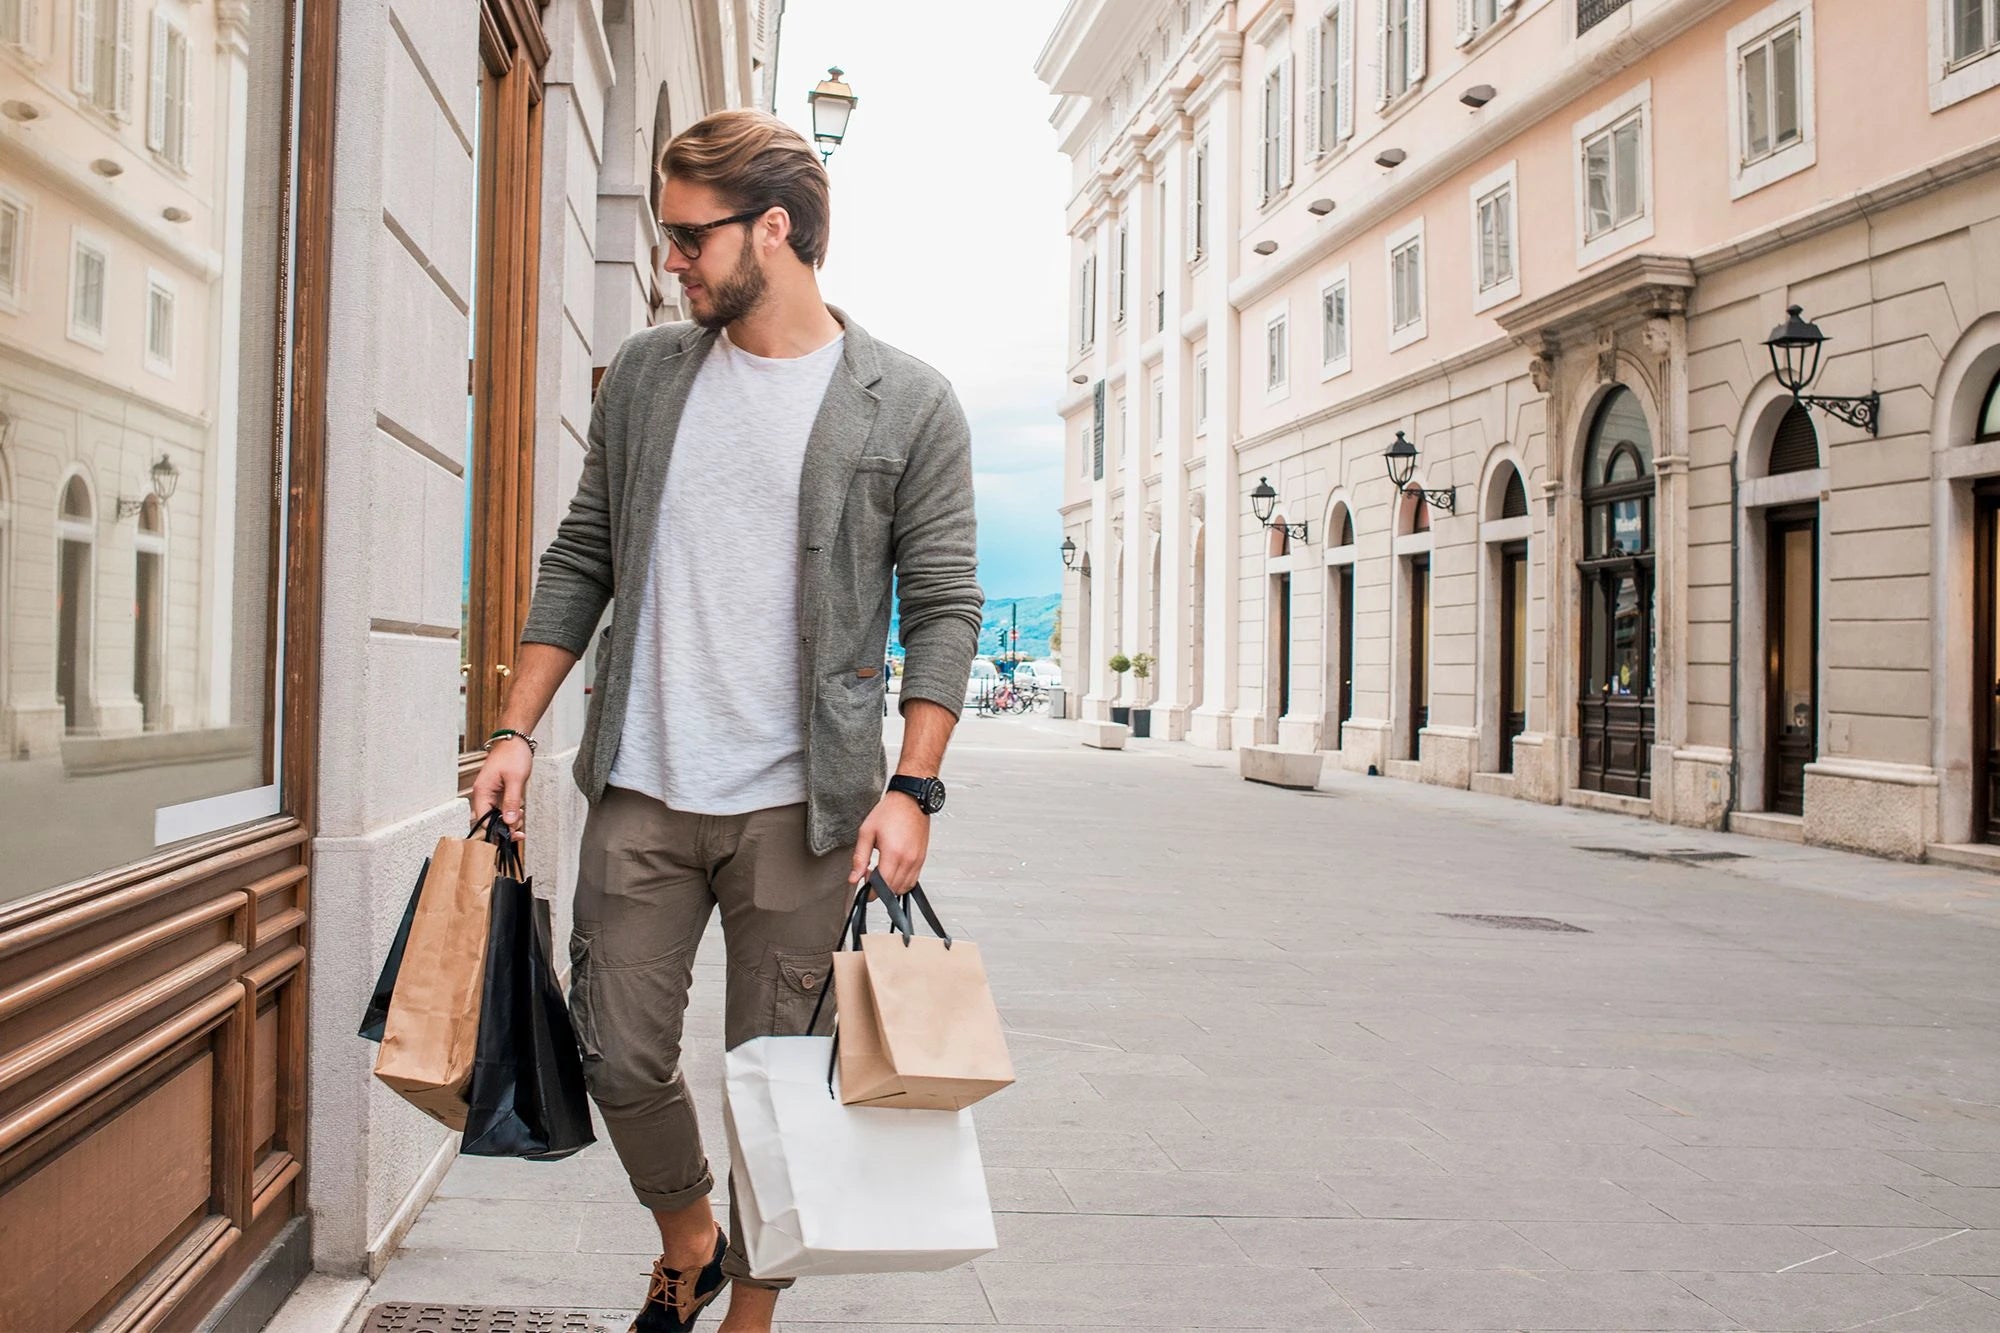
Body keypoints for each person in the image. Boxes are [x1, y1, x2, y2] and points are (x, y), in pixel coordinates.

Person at [469, 109, 982, 1333]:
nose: (670, 262)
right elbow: (581, 555)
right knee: (619, 1052)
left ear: (777, 229)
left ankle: (748, 1310)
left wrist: (911, 788)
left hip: (803, 812)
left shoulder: (904, 401)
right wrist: (515, 729)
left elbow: (949, 603)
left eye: (690, 237)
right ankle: (687, 1235)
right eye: (664, 237)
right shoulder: (649, 377)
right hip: (643, 783)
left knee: (781, 1086)